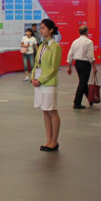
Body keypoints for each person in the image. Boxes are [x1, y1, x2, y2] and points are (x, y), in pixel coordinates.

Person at [32, 18, 63, 151]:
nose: (41, 30)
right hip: (39, 81)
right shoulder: (42, 46)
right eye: (40, 28)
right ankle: (48, 140)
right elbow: (36, 64)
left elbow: (53, 68)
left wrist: (41, 80)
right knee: (45, 111)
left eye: (43, 28)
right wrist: (33, 78)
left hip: (49, 82)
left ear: (51, 30)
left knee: (51, 110)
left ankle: (54, 141)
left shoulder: (55, 47)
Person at [66, 25, 97, 109]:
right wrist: (94, 67)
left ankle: (90, 99)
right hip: (85, 64)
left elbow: (70, 54)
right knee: (82, 83)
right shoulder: (89, 42)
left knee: (83, 81)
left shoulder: (75, 42)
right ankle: (77, 102)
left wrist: (69, 66)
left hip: (77, 64)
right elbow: (91, 56)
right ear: (87, 32)